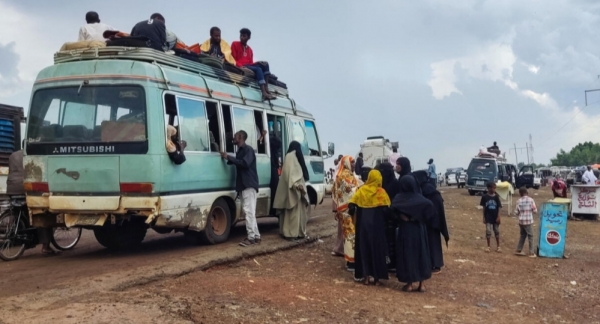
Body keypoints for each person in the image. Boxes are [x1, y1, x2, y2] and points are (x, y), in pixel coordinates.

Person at [7, 148, 58, 255]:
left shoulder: (13, 155)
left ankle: (24, 240)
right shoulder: (32, 154)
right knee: (42, 213)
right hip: (25, 188)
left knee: (19, 213)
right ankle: (46, 247)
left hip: (11, 189)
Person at [390, 176, 434, 292]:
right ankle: (422, 284)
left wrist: (401, 216)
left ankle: (409, 284)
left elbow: (392, 210)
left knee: (408, 254)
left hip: (406, 229)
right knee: (421, 253)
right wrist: (420, 218)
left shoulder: (399, 198)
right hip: (419, 229)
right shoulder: (420, 198)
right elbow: (430, 207)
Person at [348, 170, 391, 285]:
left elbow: (351, 205)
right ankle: (377, 278)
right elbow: (387, 210)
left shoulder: (362, 190)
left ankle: (366, 277)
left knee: (364, 248)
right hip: (377, 227)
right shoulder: (381, 192)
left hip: (363, 226)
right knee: (377, 249)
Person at [220, 131, 260, 247]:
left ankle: (251, 238)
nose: (233, 138)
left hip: (248, 184)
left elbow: (245, 163)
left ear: (241, 137)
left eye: (236, 136)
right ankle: (256, 236)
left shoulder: (248, 150)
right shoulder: (241, 150)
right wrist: (229, 158)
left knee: (249, 212)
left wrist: (228, 157)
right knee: (250, 212)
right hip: (244, 185)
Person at [413, 170, 449, 274]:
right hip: (433, 221)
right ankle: (432, 264)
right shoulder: (429, 188)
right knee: (432, 242)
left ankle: (436, 265)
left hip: (432, 221)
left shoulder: (427, 190)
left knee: (432, 243)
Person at [273, 141, 310, 241]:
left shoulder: (292, 157)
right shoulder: (291, 156)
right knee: (292, 214)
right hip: (293, 190)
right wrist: (296, 185)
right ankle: (290, 234)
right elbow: (290, 175)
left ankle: (298, 233)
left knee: (299, 214)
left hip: (298, 190)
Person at [231, 28, 277, 101]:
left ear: (248, 38)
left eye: (244, 36)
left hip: (249, 66)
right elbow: (233, 59)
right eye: (241, 36)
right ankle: (264, 93)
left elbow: (251, 63)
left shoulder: (250, 50)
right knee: (258, 69)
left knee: (265, 64)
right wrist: (240, 66)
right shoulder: (235, 44)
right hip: (242, 66)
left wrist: (258, 63)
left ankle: (266, 88)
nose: (242, 38)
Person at [332, 156, 358, 271]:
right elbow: (352, 191)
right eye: (352, 162)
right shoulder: (345, 175)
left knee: (348, 235)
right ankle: (351, 261)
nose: (354, 164)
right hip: (347, 209)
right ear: (346, 163)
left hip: (343, 209)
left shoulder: (340, 174)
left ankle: (349, 260)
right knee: (350, 235)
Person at [376, 162, 400, 272]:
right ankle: (387, 262)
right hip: (385, 216)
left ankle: (391, 263)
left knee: (391, 241)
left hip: (390, 216)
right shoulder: (387, 182)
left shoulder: (393, 184)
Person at [514, 187, 538, 258]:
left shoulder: (518, 201)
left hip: (521, 221)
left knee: (523, 235)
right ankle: (531, 252)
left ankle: (518, 250)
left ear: (520, 193)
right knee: (530, 236)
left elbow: (516, 212)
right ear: (527, 192)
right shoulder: (531, 200)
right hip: (528, 221)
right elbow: (535, 210)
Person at [480, 182, 502, 253]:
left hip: (495, 217)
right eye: (493, 188)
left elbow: (499, 207)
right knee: (488, 231)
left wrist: (498, 216)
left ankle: (498, 247)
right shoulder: (484, 197)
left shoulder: (496, 197)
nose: (494, 189)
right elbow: (484, 207)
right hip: (488, 217)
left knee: (496, 231)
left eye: (495, 188)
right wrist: (483, 217)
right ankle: (488, 246)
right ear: (489, 188)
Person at [265, 130, 282, 216]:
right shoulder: (274, 149)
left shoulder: (270, 148)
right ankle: (274, 210)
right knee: (275, 189)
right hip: (273, 169)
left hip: (272, 168)